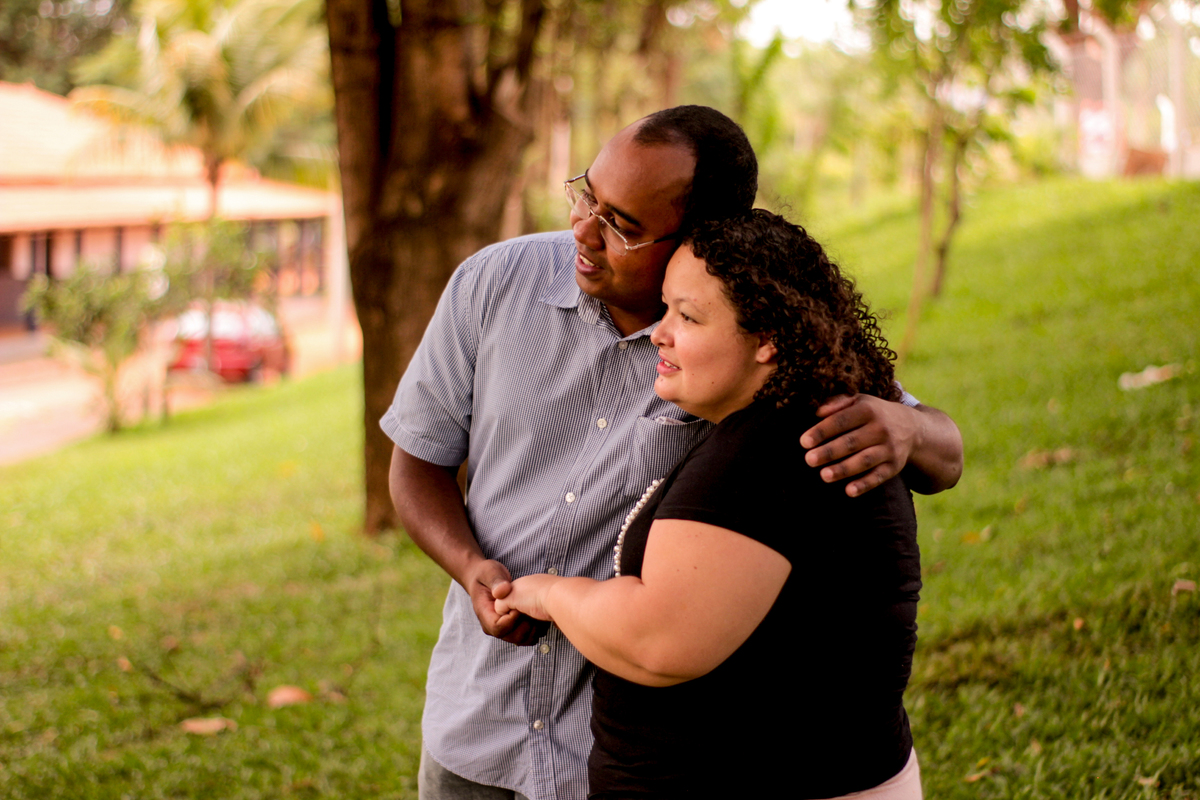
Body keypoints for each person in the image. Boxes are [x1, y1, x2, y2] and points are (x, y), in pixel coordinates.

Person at [383, 106, 959, 800]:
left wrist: (908, 427)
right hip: (476, 728)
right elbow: (416, 461)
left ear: (698, 238)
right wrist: (471, 567)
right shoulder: (494, 283)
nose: (584, 230)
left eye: (622, 224)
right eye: (586, 194)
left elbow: (942, 453)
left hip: (614, 755)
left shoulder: (737, 339)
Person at [496, 209, 923, 799]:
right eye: (665, 309)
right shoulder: (804, 421)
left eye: (688, 317)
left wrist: (547, 592)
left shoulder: (774, 450)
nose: (660, 333)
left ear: (768, 339)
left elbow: (658, 642)